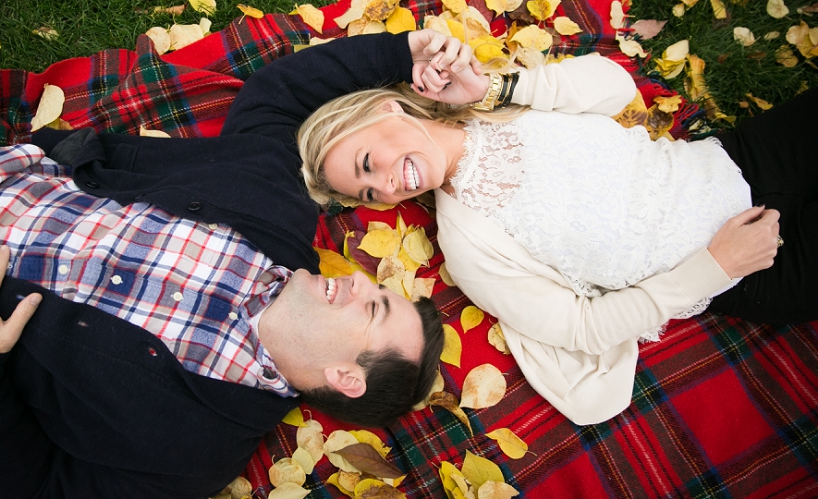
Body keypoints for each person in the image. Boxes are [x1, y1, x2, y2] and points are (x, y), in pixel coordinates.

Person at [0, 31, 448, 498]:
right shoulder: (276, 216)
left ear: (346, 377)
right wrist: (404, 52)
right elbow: (278, 100)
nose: (355, 279)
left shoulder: (193, 450)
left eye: (372, 308)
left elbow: (43, 486)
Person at [298, 33, 817, 425]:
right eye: (369, 193)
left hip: (742, 160)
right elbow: (583, 328)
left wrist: (495, 87)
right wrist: (716, 266)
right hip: (757, 267)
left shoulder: (497, 103)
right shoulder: (469, 247)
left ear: (388, 110)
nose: (386, 185)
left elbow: (616, 88)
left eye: (368, 162)